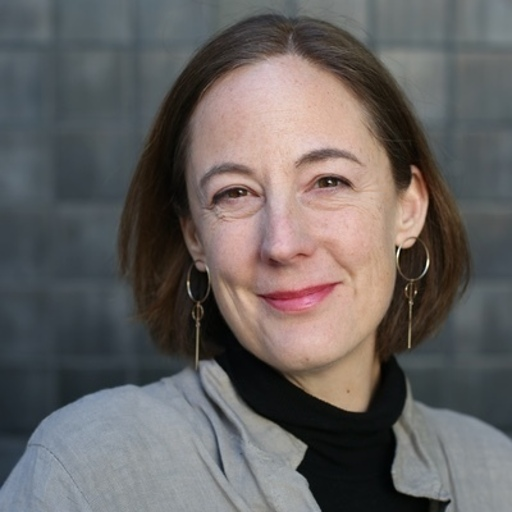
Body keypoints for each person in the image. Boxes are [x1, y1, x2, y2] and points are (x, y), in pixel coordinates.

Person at [1, 13, 511, 512]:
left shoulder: (497, 474)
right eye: (235, 193)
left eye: (328, 181)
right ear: (195, 237)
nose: (282, 244)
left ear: (408, 208)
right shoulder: (86, 475)